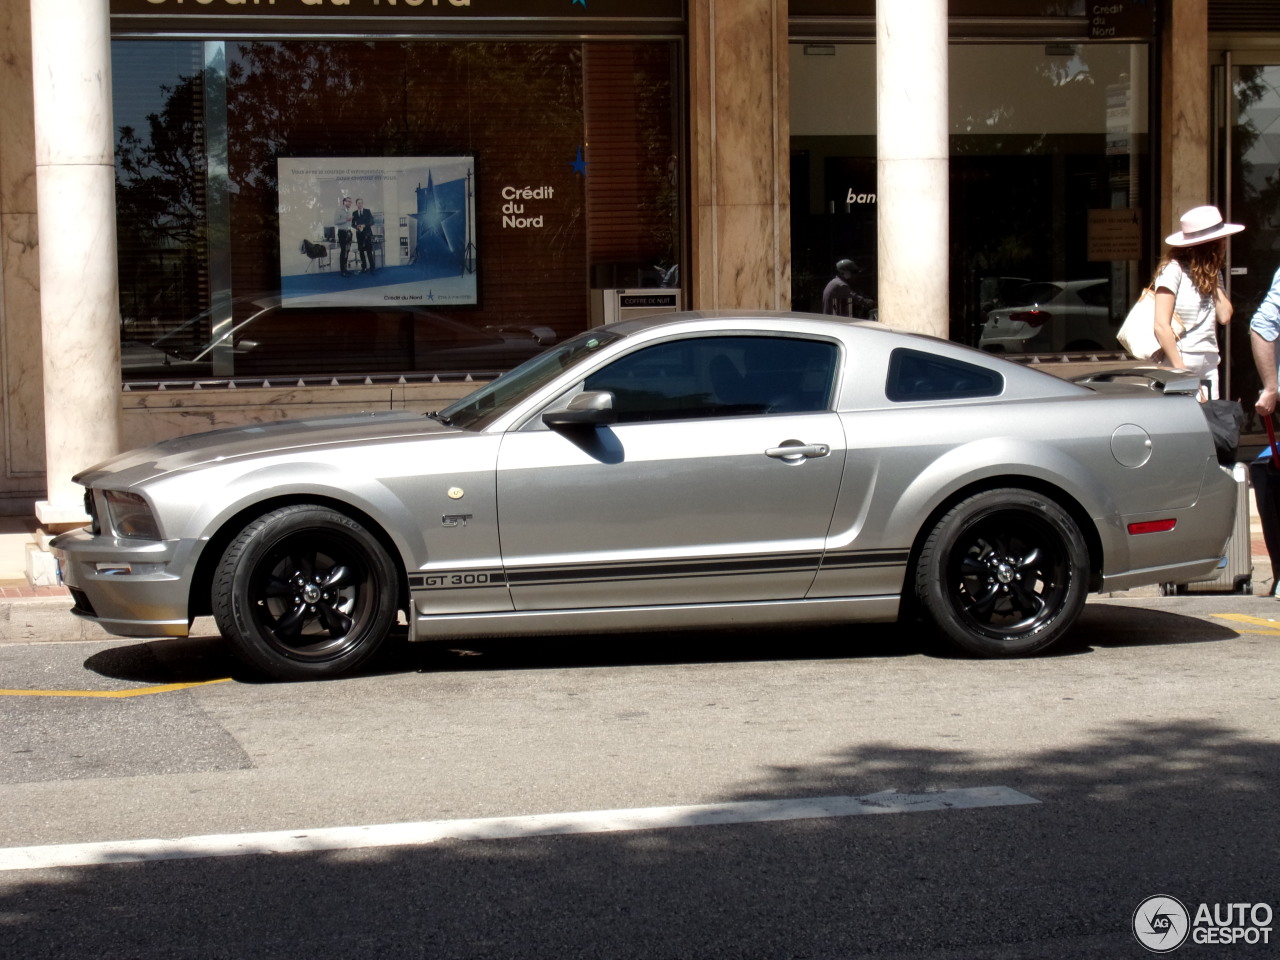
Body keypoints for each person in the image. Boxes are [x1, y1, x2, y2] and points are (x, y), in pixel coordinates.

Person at [1152, 205, 1243, 399]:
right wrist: (1181, 371)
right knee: (1186, 423)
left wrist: (1212, 277)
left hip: (1209, 361)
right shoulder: (1173, 270)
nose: (1225, 245)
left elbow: (1225, 316)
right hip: (1182, 358)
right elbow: (1161, 325)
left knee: (1211, 421)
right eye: (1221, 241)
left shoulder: (1213, 274)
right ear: (1210, 245)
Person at [352, 198, 376, 275]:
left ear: (363, 204)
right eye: (358, 203)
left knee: (369, 251)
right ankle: (364, 267)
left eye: (361, 203)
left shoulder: (367, 211)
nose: (360, 204)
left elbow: (372, 221)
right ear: (356, 204)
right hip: (359, 235)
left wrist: (364, 225)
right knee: (361, 252)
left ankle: (372, 268)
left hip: (367, 234)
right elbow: (352, 224)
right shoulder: (354, 213)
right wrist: (357, 226)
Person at [333, 196, 353, 277]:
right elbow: (336, 222)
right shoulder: (339, 211)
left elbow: (350, 223)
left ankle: (345, 269)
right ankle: (342, 271)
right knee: (343, 251)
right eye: (348, 201)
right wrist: (346, 220)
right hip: (342, 233)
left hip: (349, 232)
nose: (349, 203)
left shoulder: (349, 211)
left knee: (347, 251)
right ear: (344, 202)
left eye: (350, 202)